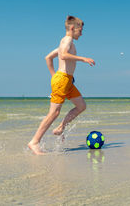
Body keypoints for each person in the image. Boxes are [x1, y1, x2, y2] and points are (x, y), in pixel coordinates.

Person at [28, 15, 95, 155]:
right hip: (63, 79)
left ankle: (60, 128)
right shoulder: (67, 40)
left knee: (81, 106)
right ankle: (34, 142)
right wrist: (83, 58)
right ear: (72, 28)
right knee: (54, 113)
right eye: (80, 30)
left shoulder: (65, 42)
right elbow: (63, 55)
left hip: (66, 81)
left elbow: (48, 57)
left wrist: (54, 75)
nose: (81, 33)